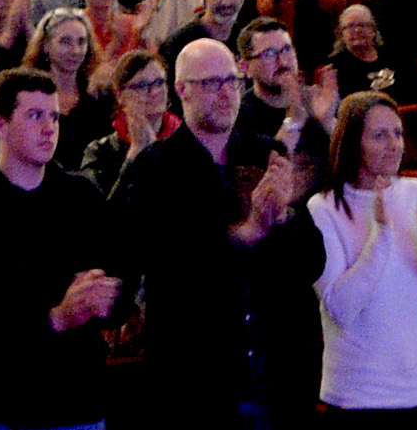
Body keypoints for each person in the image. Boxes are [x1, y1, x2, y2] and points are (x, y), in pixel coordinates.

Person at [117, 36, 307, 429]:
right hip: (194, 379)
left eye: (231, 82)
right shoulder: (156, 169)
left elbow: (311, 261)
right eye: (211, 83)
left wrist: (284, 216)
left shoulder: (265, 153)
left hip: (271, 372)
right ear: (181, 90)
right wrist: (248, 232)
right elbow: (170, 263)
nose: (225, 93)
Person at [0, 67, 118, 430]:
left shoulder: (82, 196)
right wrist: (54, 318)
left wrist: (108, 296)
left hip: (78, 403)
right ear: (0, 125)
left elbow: (116, 279)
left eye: (53, 116)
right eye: (34, 115)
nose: (49, 127)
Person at [305, 90, 417, 426]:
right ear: (352, 143)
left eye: (398, 133)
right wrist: (381, 236)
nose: (394, 144)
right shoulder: (323, 208)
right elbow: (341, 309)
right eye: (379, 135)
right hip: (361, 397)